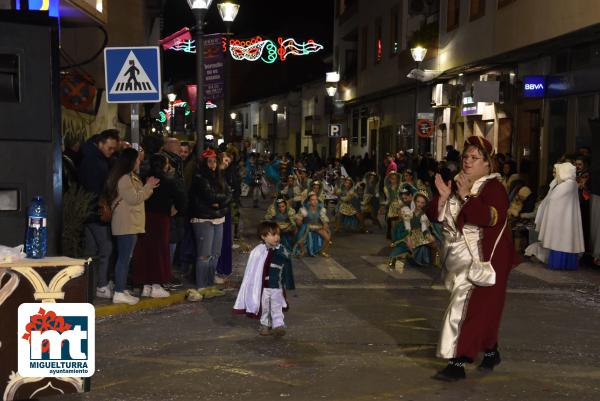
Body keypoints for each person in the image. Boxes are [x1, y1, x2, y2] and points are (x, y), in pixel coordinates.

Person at [427, 135, 516, 381]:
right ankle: (490, 351)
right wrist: (444, 198)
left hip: (483, 261)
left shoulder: (494, 188)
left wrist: (466, 197)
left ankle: (457, 361)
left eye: (475, 158)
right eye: (466, 156)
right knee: (481, 311)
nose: (467, 161)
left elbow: (488, 219)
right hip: (456, 260)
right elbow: (436, 215)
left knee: (463, 309)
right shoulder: (459, 182)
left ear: (488, 164)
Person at [105, 148, 159, 305]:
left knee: (125, 258)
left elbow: (138, 197)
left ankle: (121, 289)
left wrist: (147, 187)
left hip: (130, 223)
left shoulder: (129, 177)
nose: (139, 162)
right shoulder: (124, 179)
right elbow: (134, 198)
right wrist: (148, 186)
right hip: (126, 224)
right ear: (130, 161)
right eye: (137, 160)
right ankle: (119, 292)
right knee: (123, 259)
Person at [132, 154, 186, 297]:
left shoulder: (143, 179)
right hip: (161, 220)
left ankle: (146, 285)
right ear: (164, 165)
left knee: (145, 251)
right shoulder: (168, 181)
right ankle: (156, 284)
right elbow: (181, 199)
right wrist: (175, 210)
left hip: (143, 219)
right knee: (160, 251)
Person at [233, 221, 295, 336]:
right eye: (273, 234)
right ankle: (265, 324)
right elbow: (252, 271)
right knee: (265, 306)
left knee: (276, 304)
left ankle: (278, 324)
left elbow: (287, 266)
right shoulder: (258, 251)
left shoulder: (281, 249)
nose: (276, 237)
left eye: (278, 234)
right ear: (263, 236)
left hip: (276, 285)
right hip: (263, 286)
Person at [78, 129, 120, 299]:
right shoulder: (94, 161)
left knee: (92, 250)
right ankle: (101, 285)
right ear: (100, 143)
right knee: (105, 249)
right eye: (109, 148)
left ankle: (93, 283)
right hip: (96, 212)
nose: (111, 152)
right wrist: (103, 206)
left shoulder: (92, 157)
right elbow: (96, 189)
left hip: (88, 210)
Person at [187, 149, 232, 301]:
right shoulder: (199, 177)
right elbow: (209, 196)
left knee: (215, 254)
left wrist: (218, 203)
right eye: (210, 161)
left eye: (214, 161)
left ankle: (209, 281)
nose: (213, 164)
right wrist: (220, 200)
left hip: (218, 217)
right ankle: (201, 285)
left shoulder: (219, 176)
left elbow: (228, 194)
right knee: (204, 255)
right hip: (203, 219)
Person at [528, 163, 584, 270]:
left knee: (560, 243)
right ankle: (565, 264)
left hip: (562, 221)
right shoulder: (571, 184)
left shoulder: (567, 185)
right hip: (564, 220)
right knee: (566, 243)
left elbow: (552, 199)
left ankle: (560, 264)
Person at [294, 192, 331, 257]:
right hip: (307, 227)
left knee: (327, 238)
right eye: (312, 200)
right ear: (309, 201)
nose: (315, 201)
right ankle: (303, 251)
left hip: (317, 226)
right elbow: (298, 219)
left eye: (316, 199)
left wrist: (325, 223)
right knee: (300, 240)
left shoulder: (320, 209)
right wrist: (299, 221)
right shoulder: (304, 209)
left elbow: (324, 218)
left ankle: (322, 251)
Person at [383, 171, 402, 239]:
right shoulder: (387, 188)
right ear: (389, 179)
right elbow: (388, 198)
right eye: (392, 178)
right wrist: (386, 204)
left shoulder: (401, 186)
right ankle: (392, 236)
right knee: (391, 222)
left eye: (395, 178)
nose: (393, 180)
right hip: (391, 205)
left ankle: (399, 237)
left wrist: (400, 203)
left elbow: (402, 196)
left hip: (400, 206)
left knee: (399, 222)